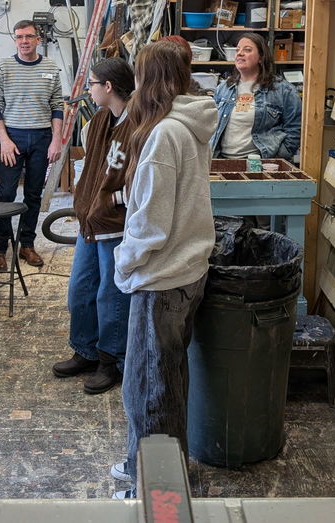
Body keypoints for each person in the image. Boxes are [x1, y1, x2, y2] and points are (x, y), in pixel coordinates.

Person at [108, 41, 218, 499]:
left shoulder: (164, 135)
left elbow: (151, 223)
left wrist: (124, 260)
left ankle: (155, 490)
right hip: (187, 268)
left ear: (148, 81)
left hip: (163, 276)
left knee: (150, 389)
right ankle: (144, 464)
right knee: (164, 378)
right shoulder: (191, 122)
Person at [52, 58, 135, 395]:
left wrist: (112, 201)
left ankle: (109, 360)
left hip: (114, 223)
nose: (89, 90)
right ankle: (85, 350)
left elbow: (144, 182)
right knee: (80, 290)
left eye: (93, 84)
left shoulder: (139, 126)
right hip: (90, 221)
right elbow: (92, 163)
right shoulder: (100, 120)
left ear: (109, 87)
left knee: (110, 296)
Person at [0, 20, 64, 270]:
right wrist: (4, 141)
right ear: (15, 40)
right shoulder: (3, 67)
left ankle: (27, 246)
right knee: (5, 194)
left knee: (33, 194)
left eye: (29, 36)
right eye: (19, 37)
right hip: (13, 139)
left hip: (41, 138)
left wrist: (56, 141)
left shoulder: (51, 68)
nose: (24, 41)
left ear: (38, 39)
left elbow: (57, 107)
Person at [210, 32, 302, 161]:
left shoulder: (282, 90)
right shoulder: (224, 88)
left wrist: (278, 156)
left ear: (261, 57)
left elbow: (294, 128)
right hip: (222, 160)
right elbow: (212, 124)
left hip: (261, 164)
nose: (240, 53)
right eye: (238, 50)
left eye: (247, 50)